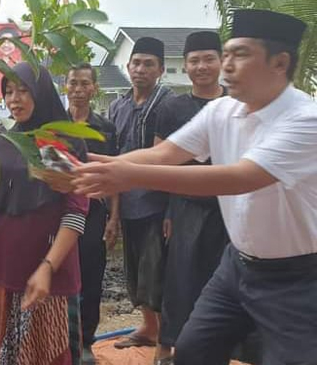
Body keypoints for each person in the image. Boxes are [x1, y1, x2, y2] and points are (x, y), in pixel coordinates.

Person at [73, 10, 317, 365]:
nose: (227, 64)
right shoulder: (222, 111)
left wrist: (129, 176)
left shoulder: (305, 120)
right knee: (192, 350)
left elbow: (239, 178)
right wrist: (98, 164)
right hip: (238, 266)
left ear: (280, 62)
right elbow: (165, 153)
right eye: (228, 53)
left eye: (240, 54)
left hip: (297, 277)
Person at [0, 62, 89, 365]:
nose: (14, 98)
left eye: (23, 90)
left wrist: (48, 266)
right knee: (2, 351)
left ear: (42, 92)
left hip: (47, 270)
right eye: (8, 91)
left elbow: (75, 211)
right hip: (4, 265)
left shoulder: (53, 141)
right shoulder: (2, 137)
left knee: (49, 351)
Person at [152, 31, 230, 364]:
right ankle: (166, 347)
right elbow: (158, 158)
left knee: (224, 278)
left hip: (230, 205)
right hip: (184, 206)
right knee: (180, 278)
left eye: (208, 58)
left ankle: (221, 350)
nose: (202, 66)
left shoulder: (236, 105)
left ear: (222, 61)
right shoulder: (172, 107)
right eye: (194, 60)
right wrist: (169, 209)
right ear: (184, 66)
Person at [106, 37, 174, 349]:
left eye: (149, 64)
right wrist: (114, 213)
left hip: (158, 204)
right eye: (136, 63)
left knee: (156, 272)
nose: (141, 69)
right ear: (127, 66)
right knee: (133, 271)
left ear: (160, 69)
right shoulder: (116, 107)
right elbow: (111, 156)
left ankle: (165, 336)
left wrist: (172, 210)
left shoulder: (169, 105)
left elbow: (177, 160)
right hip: (127, 201)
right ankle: (149, 328)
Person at [66, 63, 120, 363]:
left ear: (94, 88)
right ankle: (60, 340)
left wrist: (114, 217)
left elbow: (115, 175)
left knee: (91, 277)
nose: (78, 89)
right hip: (59, 214)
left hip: (94, 212)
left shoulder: (105, 129)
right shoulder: (54, 125)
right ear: (66, 86)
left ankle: (86, 341)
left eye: (84, 83)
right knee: (60, 276)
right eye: (73, 83)